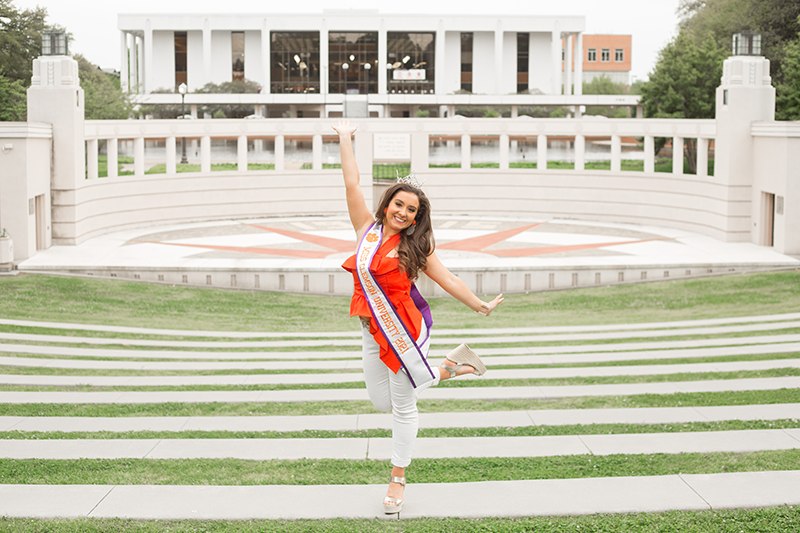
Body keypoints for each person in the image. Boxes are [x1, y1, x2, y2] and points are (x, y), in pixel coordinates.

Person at [333, 119, 504, 514]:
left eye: (411, 210)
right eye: (399, 204)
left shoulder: (417, 248)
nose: (403, 212)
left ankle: (397, 480)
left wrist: (478, 305)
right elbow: (352, 186)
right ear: (388, 203)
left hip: (405, 332)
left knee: (403, 405)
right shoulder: (366, 231)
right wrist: (345, 140)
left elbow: (447, 278)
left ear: (416, 216)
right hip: (370, 329)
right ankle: (451, 367)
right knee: (381, 402)